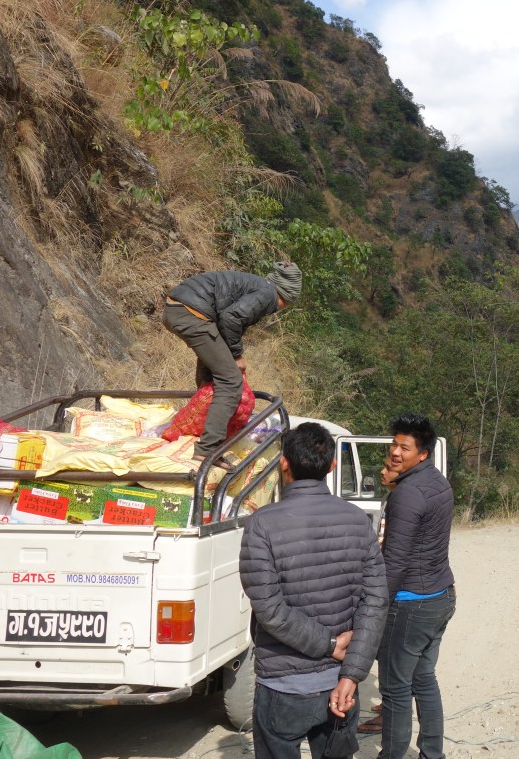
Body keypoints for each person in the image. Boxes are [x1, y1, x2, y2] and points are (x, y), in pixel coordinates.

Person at [239, 422, 387, 759]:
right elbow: (376, 602)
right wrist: (351, 673)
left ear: (284, 464)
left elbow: (271, 611)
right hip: (341, 686)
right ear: (332, 466)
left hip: (282, 687)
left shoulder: (261, 524)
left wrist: (330, 646)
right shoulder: (357, 522)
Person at [370, 413, 456, 759]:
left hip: (411, 603)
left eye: (404, 447)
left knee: (394, 689)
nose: (395, 452)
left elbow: (395, 563)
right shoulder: (439, 483)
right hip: (441, 596)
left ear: (422, 454)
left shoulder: (407, 494)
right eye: (394, 444)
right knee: (424, 679)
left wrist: (375, 609)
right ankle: (432, 754)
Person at [162, 262, 301, 467]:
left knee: (214, 371)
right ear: (286, 297)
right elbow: (231, 318)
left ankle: (198, 423)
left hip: (177, 308)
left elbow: (225, 320)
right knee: (230, 381)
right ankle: (208, 450)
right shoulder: (267, 295)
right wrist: (237, 356)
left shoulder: (259, 286)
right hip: (191, 313)